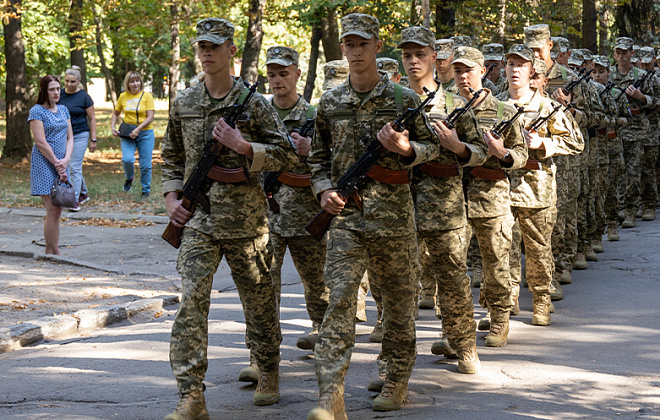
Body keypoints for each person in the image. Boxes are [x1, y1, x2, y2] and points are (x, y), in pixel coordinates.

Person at [161, 18, 297, 419]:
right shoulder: (184, 101)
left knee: (258, 303)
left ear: (231, 51)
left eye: (214, 46)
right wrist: (171, 198)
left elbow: (288, 154)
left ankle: (268, 367)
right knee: (191, 304)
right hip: (198, 221)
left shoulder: (253, 103)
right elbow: (171, 156)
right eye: (201, 45)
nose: (206, 52)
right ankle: (191, 396)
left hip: (246, 222)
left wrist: (244, 146)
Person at [306, 13, 438, 419]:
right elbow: (317, 158)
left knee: (398, 306)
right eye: (349, 44)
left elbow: (435, 149)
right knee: (340, 303)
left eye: (363, 43)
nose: (355, 51)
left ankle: (396, 379)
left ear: (377, 47)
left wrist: (405, 150)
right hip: (347, 222)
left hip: (395, 221)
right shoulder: (330, 102)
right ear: (342, 48)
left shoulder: (403, 100)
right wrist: (323, 190)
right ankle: (331, 395)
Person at [398, 25, 485, 372]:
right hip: (399, 203)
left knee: (452, 279)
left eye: (420, 54)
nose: (413, 61)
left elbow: (481, 152)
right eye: (407, 55)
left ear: (435, 58)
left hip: (445, 205)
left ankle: (464, 346)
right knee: (399, 285)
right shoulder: (392, 100)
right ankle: (396, 364)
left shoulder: (454, 105)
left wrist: (457, 147)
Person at [496, 44, 583, 326]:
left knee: (537, 249)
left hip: (537, 188)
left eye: (521, 65)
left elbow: (576, 142)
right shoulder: (495, 104)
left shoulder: (547, 107)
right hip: (501, 185)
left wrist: (544, 143)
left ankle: (541, 301)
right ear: (504, 69)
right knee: (503, 248)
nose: (515, 70)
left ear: (532, 70)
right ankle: (507, 301)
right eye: (511, 64)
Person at [453, 46, 527, 346]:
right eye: (457, 70)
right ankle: (457, 328)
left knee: (496, 264)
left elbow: (521, 154)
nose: (462, 75)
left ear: (483, 71)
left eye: (468, 69)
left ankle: (499, 319)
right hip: (453, 198)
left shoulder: (502, 111)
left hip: (491, 197)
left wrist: (502, 153)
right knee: (455, 268)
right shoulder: (446, 107)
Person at [262, 45, 329, 353]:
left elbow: (335, 162)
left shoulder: (315, 116)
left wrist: (309, 150)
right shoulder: (259, 115)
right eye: (272, 74)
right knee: (263, 286)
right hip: (265, 215)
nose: (277, 80)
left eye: (283, 74)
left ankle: (324, 333)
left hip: (307, 214)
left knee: (317, 283)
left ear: (298, 74)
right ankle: (263, 350)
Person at [609, 37, 655, 229]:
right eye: (618, 53)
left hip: (636, 130)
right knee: (617, 172)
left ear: (632, 54)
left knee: (634, 172)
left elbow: (656, 100)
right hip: (615, 129)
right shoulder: (608, 75)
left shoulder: (642, 75)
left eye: (625, 52)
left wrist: (641, 97)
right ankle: (618, 207)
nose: (621, 56)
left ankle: (630, 210)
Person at [28, 75, 74, 255]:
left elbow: (70, 137)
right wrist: (57, 163)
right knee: (53, 208)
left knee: (58, 207)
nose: (56, 93)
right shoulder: (36, 111)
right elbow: (40, 142)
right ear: (44, 91)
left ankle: (52, 250)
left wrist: (66, 160)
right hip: (45, 164)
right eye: (52, 89)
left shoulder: (63, 110)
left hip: (62, 163)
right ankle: (52, 250)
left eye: (58, 88)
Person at [111, 70, 155, 198]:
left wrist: (138, 129)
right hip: (127, 133)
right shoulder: (123, 96)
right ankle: (129, 178)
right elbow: (116, 113)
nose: (135, 84)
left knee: (145, 165)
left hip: (145, 133)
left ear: (141, 82)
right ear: (128, 84)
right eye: (132, 81)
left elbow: (150, 117)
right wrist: (112, 126)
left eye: (137, 81)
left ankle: (145, 190)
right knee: (127, 159)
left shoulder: (147, 96)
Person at [59, 66, 97, 211]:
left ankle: (73, 200)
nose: (69, 84)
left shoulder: (84, 97)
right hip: (63, 136)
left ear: (79, 81)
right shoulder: (60, 95)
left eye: (73, 82)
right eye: (67, 81)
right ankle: (83, 193)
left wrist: (93, 140)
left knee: (74, 166)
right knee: (69, 166)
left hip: (80, 134)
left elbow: (92, 119)